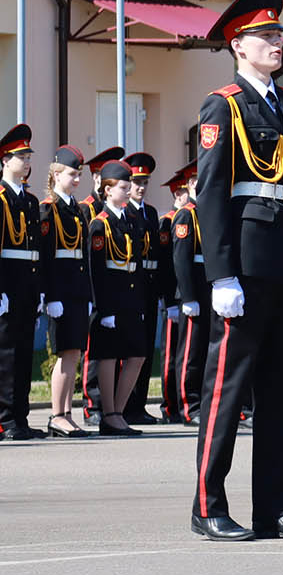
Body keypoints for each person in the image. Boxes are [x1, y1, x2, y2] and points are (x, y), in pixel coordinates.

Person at [191, 0, 283, 541]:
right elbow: (212, 195)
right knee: (227, 391)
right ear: (238, 45)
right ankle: (208, 506)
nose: (277, 42)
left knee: (282, 392)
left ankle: (274, 508)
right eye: (265, 34)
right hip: (246, 267)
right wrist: (221, 274)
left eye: (279, 33)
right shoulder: (223, 106)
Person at [87, 159, 149, 437]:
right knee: (109, 356)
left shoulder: (131, 220)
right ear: (108, 189)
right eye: (123, 187)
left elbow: (137, 263)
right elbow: (97, 270)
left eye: (129, 186)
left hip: (131, 297)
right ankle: (109, 415)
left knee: (137, 354)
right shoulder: (100, 224)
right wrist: (104, 308)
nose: (128, 191)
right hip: (111, 298)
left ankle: (119, 412)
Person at [41, 146, 94, 437]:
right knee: (65, 353)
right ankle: (56, 415)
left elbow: (83, 255)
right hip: (60, 291)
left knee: (74, 352)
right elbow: (47, 257)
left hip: (77, 289)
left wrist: (88, 294)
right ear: (57, 174)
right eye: (72, 174)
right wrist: (50, 295)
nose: (76, 180)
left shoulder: (77, 209)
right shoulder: (49, 209)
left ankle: (67, 414)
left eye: (79, 175)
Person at [0, 125, 47, 440]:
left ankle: (20, 416)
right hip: (8, 284)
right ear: (5, 159)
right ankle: (4, 419)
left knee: (24, 352)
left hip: (27, 286)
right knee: (6, 354)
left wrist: (40, 289)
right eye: (21, 156)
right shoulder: (2, 198)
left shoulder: (30, 201)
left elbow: (36, 251)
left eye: (29, 156)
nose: (27, 161)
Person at [79, 145, 124, 428]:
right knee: (93, 349)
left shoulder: (116, 210)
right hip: (91, 286)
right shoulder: (87, 209)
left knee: (109, 349)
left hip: (112, 288)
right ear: (96, 178)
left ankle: (109, 405)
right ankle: (91, 402)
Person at [121, 152, 164, 426]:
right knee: (130, 347)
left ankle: (139, 405)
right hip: (132, 284)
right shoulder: (125, 212)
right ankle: (124, 404)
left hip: (149, 283)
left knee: (146, 345)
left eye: (144, 182)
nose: (140, 187)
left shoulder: (151, 212)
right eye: (136, 182)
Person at [158, 164, 194, 424]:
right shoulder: (172, 220)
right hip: (175, 294)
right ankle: (171, 404)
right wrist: (170, 300)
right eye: (180, 191)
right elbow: (168, 264)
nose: (184, 195)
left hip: (189, 292)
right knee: (172, 353)